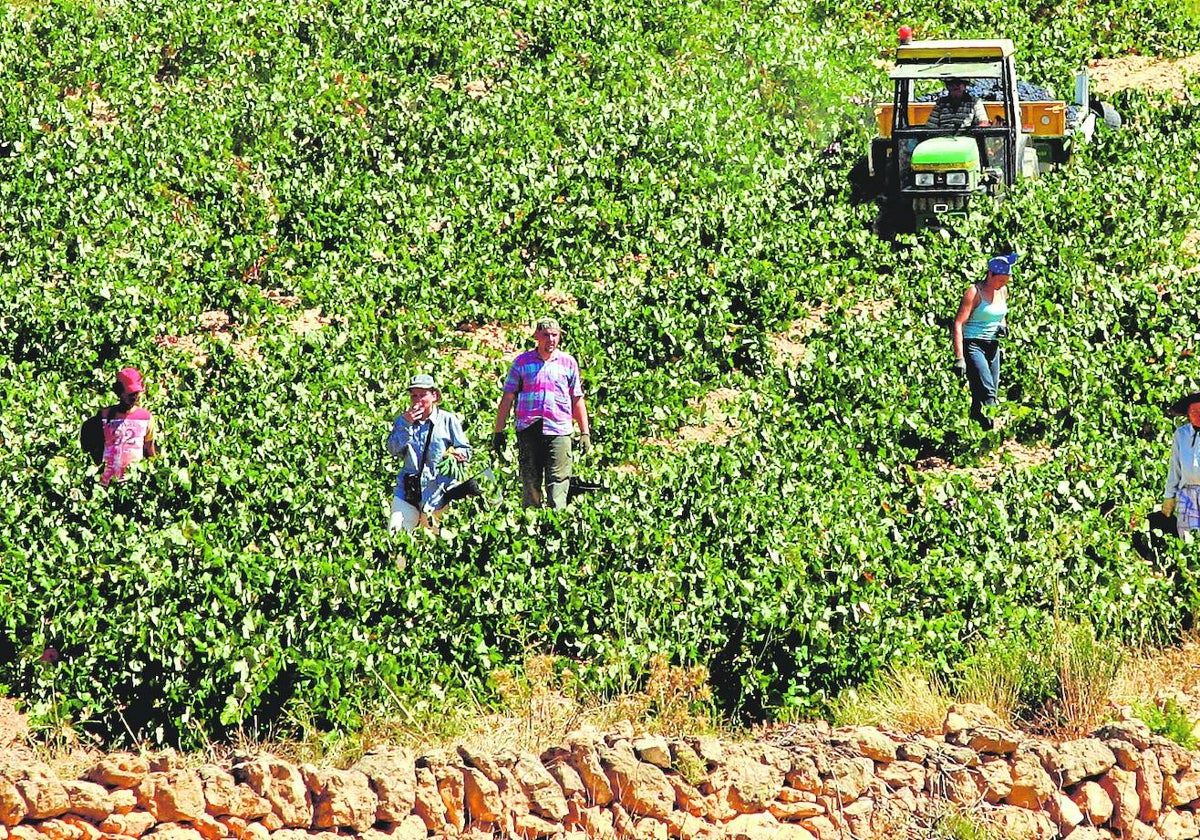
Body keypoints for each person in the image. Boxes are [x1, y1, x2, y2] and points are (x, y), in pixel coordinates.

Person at [492, 318, 591, 509]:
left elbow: (576, 399)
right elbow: (507, 398)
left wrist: (584, 432)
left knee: (559, 482)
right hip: (529, 428)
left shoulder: (568, 362)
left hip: (559, 429)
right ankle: (532, 524)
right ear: (537, 337)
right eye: (546, 335)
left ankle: (555, 524)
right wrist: (499, 431)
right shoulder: (522, 362)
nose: (551, 339)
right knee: (530, 481)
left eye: (555, 335)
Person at [386, 373, 472, 533]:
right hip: (407, 491)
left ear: (434, 396)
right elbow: (392, 449)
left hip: (438, 493)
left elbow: (465, 449)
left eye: (422, 395)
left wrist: (457, 454)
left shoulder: (448, 420)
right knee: (396, 535)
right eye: (414, 396)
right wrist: (406, 425)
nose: (418, 400)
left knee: (434, 542)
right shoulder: (402, 420)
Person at [952, 253, 1017, 429]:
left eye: (1006, 281)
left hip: (992, 345)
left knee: (990, 390)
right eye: (1000, 280)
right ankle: (991, 431)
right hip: (974, 344)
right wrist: (959, 357)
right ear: (990, 274)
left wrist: (1003, 326)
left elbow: (1001, 313)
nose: (1002, 284)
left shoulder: (1002, 291)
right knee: (988, 391)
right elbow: (958, 323)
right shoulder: (975, 292)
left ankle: (976, 424)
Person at [93, 367, 158, 485]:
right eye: (130, 393)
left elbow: (149, 450)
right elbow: (96, 449)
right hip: (106, 482)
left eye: (136, 393)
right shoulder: (104, 416)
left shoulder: (146, 418)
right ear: (119, 391)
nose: (133, 397)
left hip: (134, 482)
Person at [1162, 392, 1200, 538]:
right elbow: (1175, 468)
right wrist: (1169, 496)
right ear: (1188, 414)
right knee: (1187, 538)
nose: (1198, 415)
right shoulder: (1181, 434)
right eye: (1194, 412)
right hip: (1187, 494)